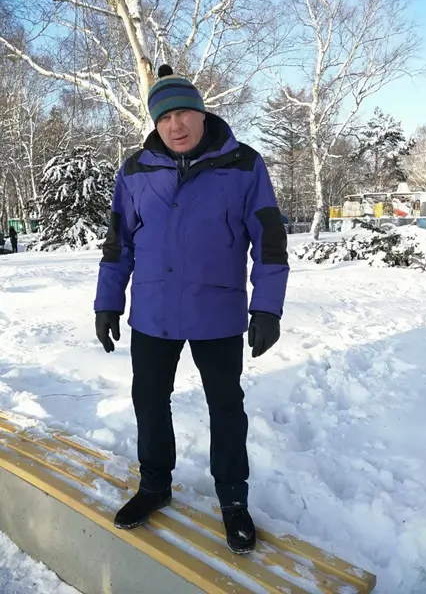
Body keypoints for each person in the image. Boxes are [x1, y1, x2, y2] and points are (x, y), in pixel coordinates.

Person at [94, 65, 289, 554]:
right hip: (153, 312)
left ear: (202, 113)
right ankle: (154, 485)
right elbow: (118, 244)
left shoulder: (244, 165)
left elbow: (269, 241)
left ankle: (233, 500)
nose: (175, 125)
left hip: (217, 312)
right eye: (164, 118)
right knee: (148, 400)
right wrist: (108, 302)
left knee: (225, 407)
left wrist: (267, 308)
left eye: (183, 113)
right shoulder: (135, 170)